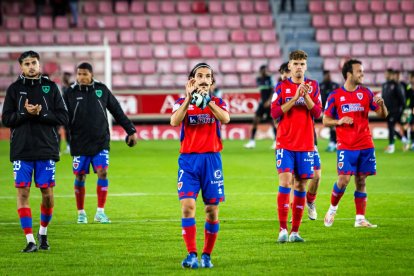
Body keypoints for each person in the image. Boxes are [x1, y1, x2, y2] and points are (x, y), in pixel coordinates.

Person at [2, 50, 69, 252]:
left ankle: (43, 232)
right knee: (23, 192)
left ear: (40, 65)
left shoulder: (51, 88)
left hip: (46, 148)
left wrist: (41, 113)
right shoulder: (14, 89)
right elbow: (6, 119)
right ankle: (30, 240)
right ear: (21, 67)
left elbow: (64, 118)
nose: (31, 66)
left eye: (34, 63)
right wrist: (24, 112)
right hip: (21, 150)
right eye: (27, 64)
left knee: (47, 194)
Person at [170, 63, 230, 269]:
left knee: (212, 210)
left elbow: (226, 118)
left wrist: (208, 102)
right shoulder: (181, 102)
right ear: (192, 80)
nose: (204, 79)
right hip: (188, 162)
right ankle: (191, 254)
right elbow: (174, 121)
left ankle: (207, 255)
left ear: (212, 81)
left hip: (211, 161)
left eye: (207, 76)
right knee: (188, 207)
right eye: (199, 76)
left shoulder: (218, 102)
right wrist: (189, 98)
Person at [64, 62, 137, 224]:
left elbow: (117, 111)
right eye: (79, 74)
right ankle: (81, 212)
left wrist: (130, 130)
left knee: (103, 172)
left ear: (91, 74)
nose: (81, 77)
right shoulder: (70, 92)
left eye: (84, 74)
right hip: (79, 143)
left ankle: (100, 212)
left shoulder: (101, 90)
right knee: (81, 176)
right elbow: (60, 116)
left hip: (100, 141)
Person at [323, 59, 388, 228]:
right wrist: (339, 121)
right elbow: (325, 120)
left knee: (361, 180)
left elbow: (382, 115)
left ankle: (360, 219)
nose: (362, 74)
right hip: (346, 144)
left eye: (362, 71)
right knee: (343, 179)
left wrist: (383, 106)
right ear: (349, 74)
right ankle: (332, 209)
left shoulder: (366, 93)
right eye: (359, 71)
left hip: (365, 143)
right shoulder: (335, 95)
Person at [271, 50, 322, 242]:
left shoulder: (314, 86)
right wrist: (294, 98)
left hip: (306, 144)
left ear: (306, 66)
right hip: (285, 142)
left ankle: (295, 232)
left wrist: (305, 95)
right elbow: (275, 112)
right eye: (296, 63)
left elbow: (317, 113)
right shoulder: (281, 87)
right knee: (285, 182)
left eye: (302, 64)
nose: (299, 67)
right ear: (290, 66)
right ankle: (282, 230)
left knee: (300, 184)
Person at [244, 65, 277, 149]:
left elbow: (273, 90)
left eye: (266, 70)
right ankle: (252, 141)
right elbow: (262, 91)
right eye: (263, 70)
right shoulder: (259, 79)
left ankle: (276, 142)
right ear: (261, 71)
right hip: (262, 103)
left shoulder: (270, 78)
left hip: (269, 103)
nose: (265, 72)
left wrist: (269, 101)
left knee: (273, 122)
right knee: (255, 120)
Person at [382, 68, 405, 153]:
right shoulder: (384, 85)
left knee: (391, 127)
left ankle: (391, 146)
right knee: (390, 127)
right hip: (387, 111)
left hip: (395, 110)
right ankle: (404, 139)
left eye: (386, 74)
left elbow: (402, 99)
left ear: (391, 75)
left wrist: (403, 109)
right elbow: (384, 97)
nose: (385, 75)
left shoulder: (396, 85)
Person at [320, 70, 340, 152]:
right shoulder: (321, 86)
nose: (328, 77)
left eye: (329, 75)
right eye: (326, 75)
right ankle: (332, 142)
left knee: (335, 127)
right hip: (326, 110)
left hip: (336, 109)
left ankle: (335, 143)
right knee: (331, 126)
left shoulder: (335, 85)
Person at [61, 72, 72, 153]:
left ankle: (72, 145)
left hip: (72, 111)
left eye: (67, 76)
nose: (66, 78)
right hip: (65, 112)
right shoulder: (62, 88)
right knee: (66, 129)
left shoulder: (71, 86)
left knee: (72, 129)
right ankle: (69, 146)